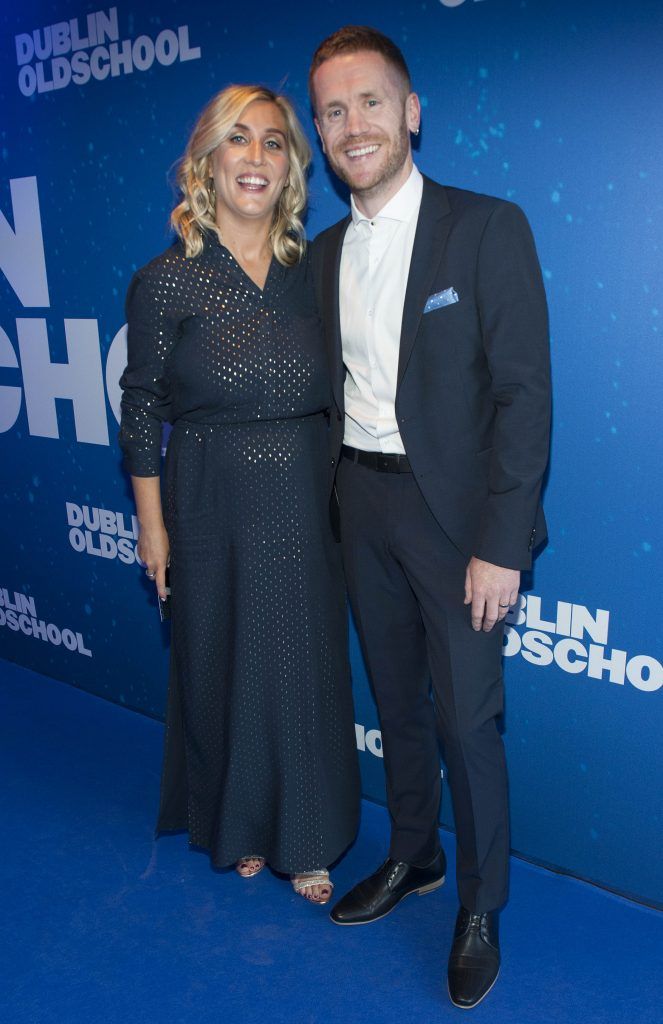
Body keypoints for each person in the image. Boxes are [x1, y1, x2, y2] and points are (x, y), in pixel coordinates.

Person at [309, 26, 551, 1006]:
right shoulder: (323, 252)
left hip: (455, 520)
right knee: (395, 698)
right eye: (332, 110)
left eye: (370, 101)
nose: (352, 124)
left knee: (466, 719)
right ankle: (415, 854)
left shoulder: (487, 227)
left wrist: (503, 543)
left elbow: (524, 398)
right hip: (358, 502)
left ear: (411, 112)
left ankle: (480, 902)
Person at [119, 84, 360, 905]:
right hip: (208, 495)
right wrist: (152, 532)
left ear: (292, 166)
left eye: (272, 142)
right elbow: (141, 404)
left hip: (304, 494)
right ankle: (242, 823)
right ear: (207, 162)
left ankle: (309, 835)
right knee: (224, 662)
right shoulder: (166, 281)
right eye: (237, 141)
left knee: (300, 667)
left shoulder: (318, 268)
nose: (255, 158)